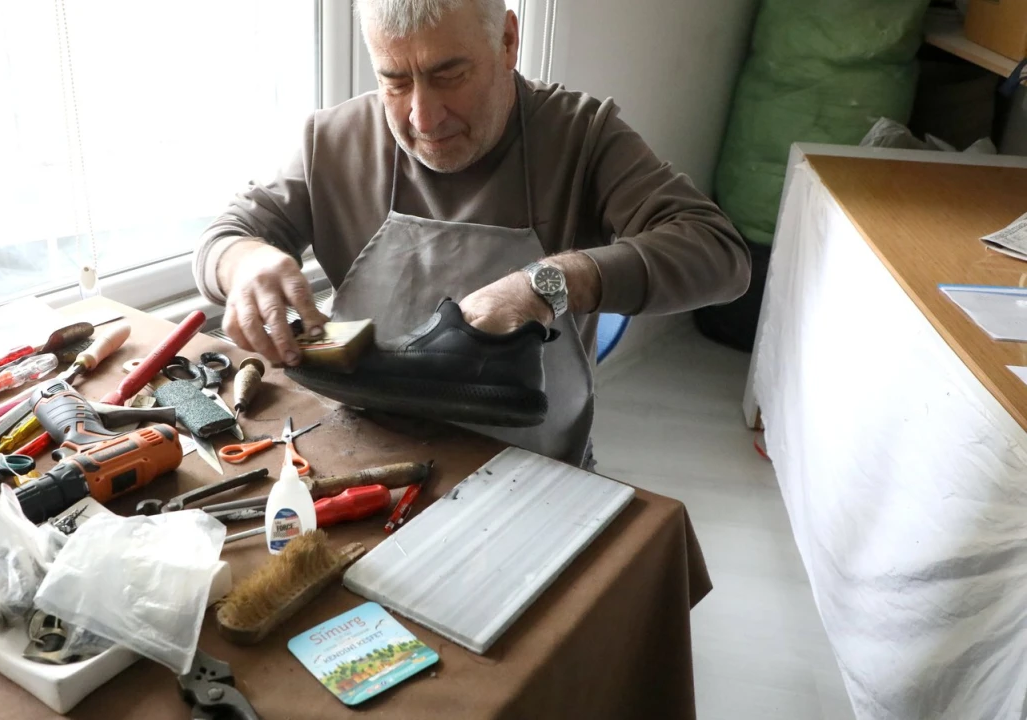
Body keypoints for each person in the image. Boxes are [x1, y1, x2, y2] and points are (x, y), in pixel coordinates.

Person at [193, 0, 749, 466]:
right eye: (395, 81)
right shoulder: (332, 141)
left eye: (448, 75)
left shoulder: (582, 137)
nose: (423, 117)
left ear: (507, 41)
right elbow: (226, 235)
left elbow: (719, 252)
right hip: (365, 449)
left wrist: (548, 283)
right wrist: (244, 262)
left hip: (531, 465)